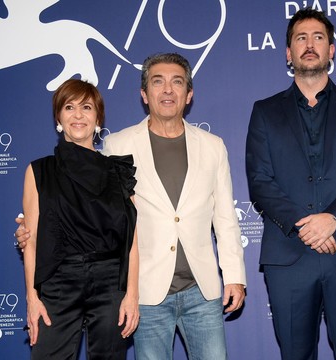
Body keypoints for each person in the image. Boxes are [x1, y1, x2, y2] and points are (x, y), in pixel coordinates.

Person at [17, 53, 246, 360]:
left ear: (188, 94)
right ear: (143, 94)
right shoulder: (118, 147)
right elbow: (81, 210)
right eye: (157, 82)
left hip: (200, 290)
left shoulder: (213, 146)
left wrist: (234, 275)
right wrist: (31, 232)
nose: (167, 90)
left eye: (176, 82)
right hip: (146, 290)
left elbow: (225, 218)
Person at [246, 8, 336, 359]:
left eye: (318, 37)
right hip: (289, 255)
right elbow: (260, 180)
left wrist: (332, 218)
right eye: (301, 38)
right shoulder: (264, 111)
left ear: (332, 49)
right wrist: (305, 226)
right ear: (288, 53)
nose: (310, 45)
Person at [21, 79, 139, 359]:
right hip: (58, 282)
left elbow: (131, 241)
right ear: (58, 118)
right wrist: (32, 297)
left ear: (98, 118)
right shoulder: (39, 171)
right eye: (69, 107)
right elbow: (32, 240)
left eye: (86, 107)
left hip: (110, 282)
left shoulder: (118, 171)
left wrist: (132, 293)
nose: (78, 115)